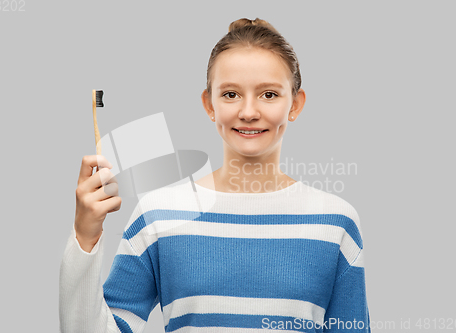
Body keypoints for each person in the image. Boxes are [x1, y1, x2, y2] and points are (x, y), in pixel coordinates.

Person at [60, 18, 371, 333]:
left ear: (296, 104)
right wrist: (84, 235)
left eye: (269, 95)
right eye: (231, 94)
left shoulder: (335, 222)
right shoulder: (160, 216)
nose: (249, 112)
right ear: (209, 104)